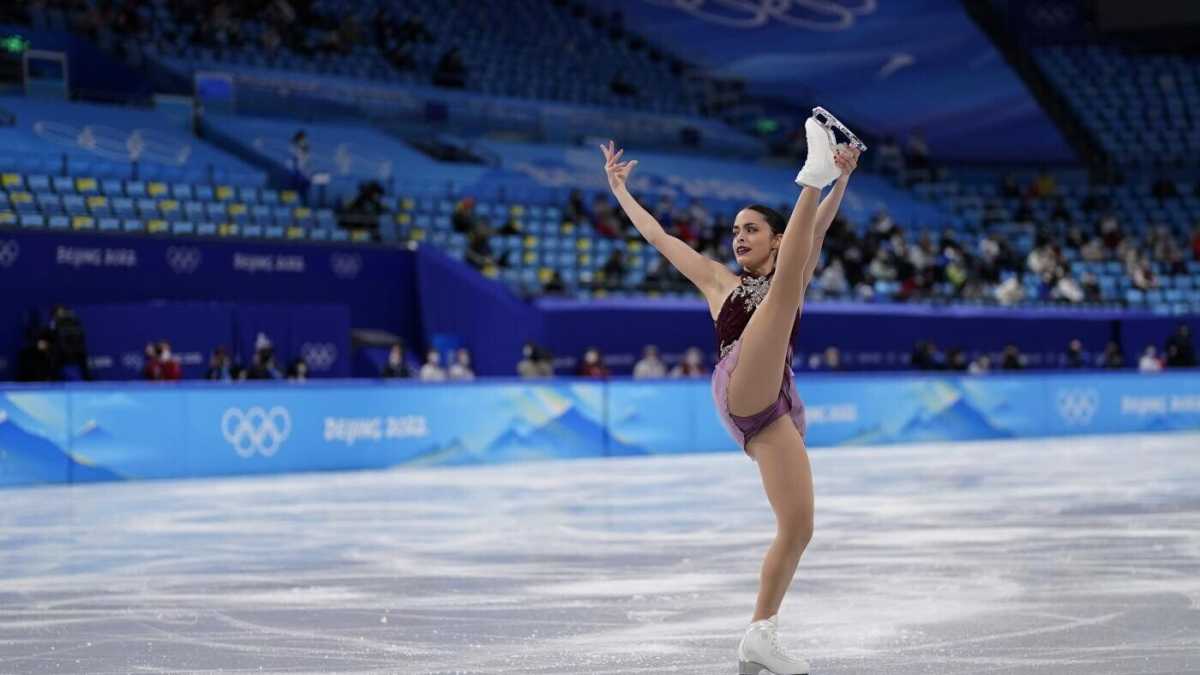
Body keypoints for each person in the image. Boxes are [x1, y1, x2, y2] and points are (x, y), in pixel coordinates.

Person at [600, 104, 863, 674]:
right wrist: (620, 189)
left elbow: (810, 238)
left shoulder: (789, 264)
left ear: (772, 240)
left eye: (751, 229)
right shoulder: (719, 280)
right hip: (740, 383)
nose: (738, 236)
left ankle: (759, 636)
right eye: (736, 230)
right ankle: (808, 177)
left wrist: (843, 180)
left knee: (799, 526)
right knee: (786, 290)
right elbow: (658, 236)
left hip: (773, 409)